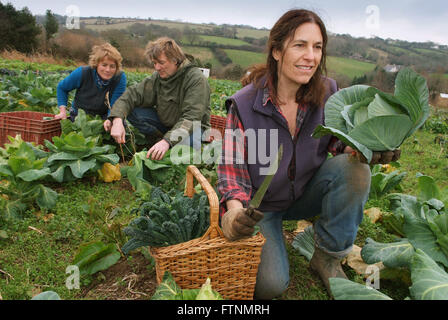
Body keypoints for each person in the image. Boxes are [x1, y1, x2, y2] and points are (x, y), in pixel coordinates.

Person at [217, 9, 401, 300]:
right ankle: (273, 236)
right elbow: (232, 170)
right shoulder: (244, 105)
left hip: (305, 192)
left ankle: (326, 257)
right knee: (270, 287)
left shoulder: (327, 92)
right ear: (277, 51)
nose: (311, 56)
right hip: (261, 207)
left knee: (355, 169)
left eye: (317, 47)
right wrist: (234, 214)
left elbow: (340, 144)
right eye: (299, 45)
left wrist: (367, 146)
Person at [107, 37, 211, 161]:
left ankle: (166, 145)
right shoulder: (158, 77)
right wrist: (117, 119)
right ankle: (157, 141)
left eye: (161, 63)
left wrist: (167, 141)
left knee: (181, 155)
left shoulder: (196, 79)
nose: (157, 67)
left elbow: (192, 118)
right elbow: (132, 94)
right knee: (134, 110)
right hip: (167, 125)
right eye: (154, 63)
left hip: (192, 130)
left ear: (175, 60)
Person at [55, 43, 127, 132]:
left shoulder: (119, 77)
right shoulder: (82, 73)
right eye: (104, 65)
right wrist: (62, 111)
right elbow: (62, 88)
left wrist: (110, 119)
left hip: (103, 116)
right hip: (80, 116)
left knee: (120, 124)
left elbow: (116, 103)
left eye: (112, 66)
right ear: (96, 64)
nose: (108, 70)